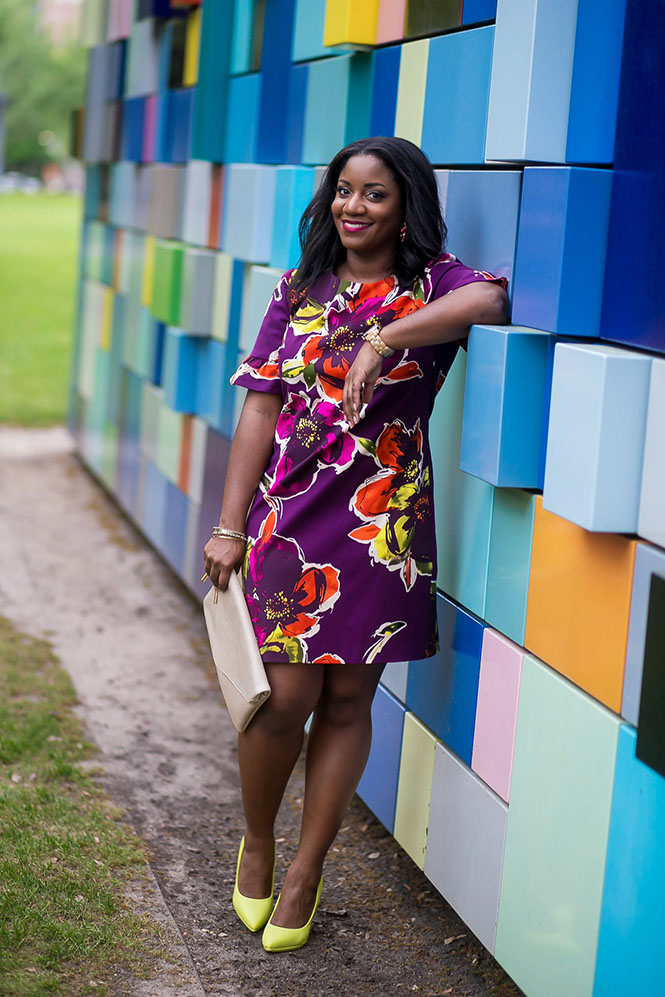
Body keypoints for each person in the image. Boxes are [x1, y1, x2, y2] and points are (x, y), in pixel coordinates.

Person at [203, 136, 510, 953]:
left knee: (347, 701)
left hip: (383, 523)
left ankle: (306, 869)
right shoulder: (297, 288)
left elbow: (490, 301)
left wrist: (385, 337)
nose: (353, 206)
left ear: (405, 204)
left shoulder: (431, 283)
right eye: (343, 189)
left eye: (374, 193)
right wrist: (230, 523)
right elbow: (260, 406)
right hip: (289, 513)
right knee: (283, 700)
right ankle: (259, 840)